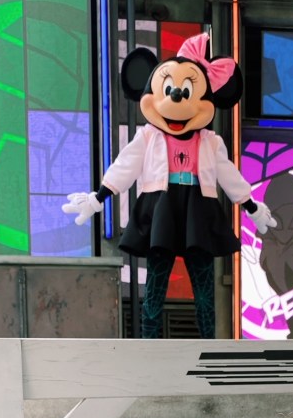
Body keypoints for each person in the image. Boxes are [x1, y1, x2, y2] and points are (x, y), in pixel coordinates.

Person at [62, 32, 275, 339]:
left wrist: (251, 207)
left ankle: (209, 344)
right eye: (170, 89)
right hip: (161, 207)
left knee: (204, 286)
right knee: (156, 283)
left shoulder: (210, 141)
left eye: (187, 91)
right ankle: (148, 344)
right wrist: (99, 197)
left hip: (198, 208)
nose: (177, 97)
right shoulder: (149, 136)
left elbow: (228, 175)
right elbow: (125, 165)